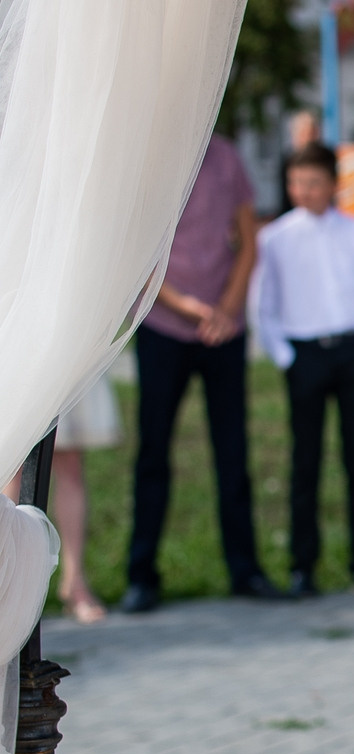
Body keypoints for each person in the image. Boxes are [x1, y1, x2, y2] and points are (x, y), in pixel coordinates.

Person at [120, 134, 283, 613]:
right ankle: (141, 575)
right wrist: (186, 307)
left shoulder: (228, 156)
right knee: (154, 453)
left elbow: (249, 241)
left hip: (223, 329)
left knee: (233, 453)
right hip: (165, 324)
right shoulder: (150, 160)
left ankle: (245, 570)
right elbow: (135, 255)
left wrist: (227, 308)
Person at [251, 143, 354, 598]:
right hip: (306, 355)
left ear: (333, 184)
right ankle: (303, 565)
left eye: (314, 182)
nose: (305, 191)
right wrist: (285, 356)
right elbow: (264, 306)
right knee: (306, 462)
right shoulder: (275, 238)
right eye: (297, 182)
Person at [5, 378, 120, 623]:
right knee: (12, 464)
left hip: (62, 361)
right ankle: (8, 582)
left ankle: (75, 581)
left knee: (69, 461)